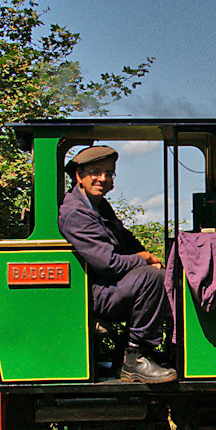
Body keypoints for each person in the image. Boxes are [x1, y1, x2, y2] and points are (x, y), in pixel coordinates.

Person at [57, 145, 176, 383]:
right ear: (79, 176)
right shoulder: (76, 213)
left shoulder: (98, 205)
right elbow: (107, 263)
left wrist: (149, 254)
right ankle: (134, 358)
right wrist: (144, 259)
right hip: (94, 292)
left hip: (108, 285)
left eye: (109, 173)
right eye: (95, 172)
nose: (103, 178)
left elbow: (125, 238)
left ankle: (132, 353)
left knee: (158, 273)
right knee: (150, 278)